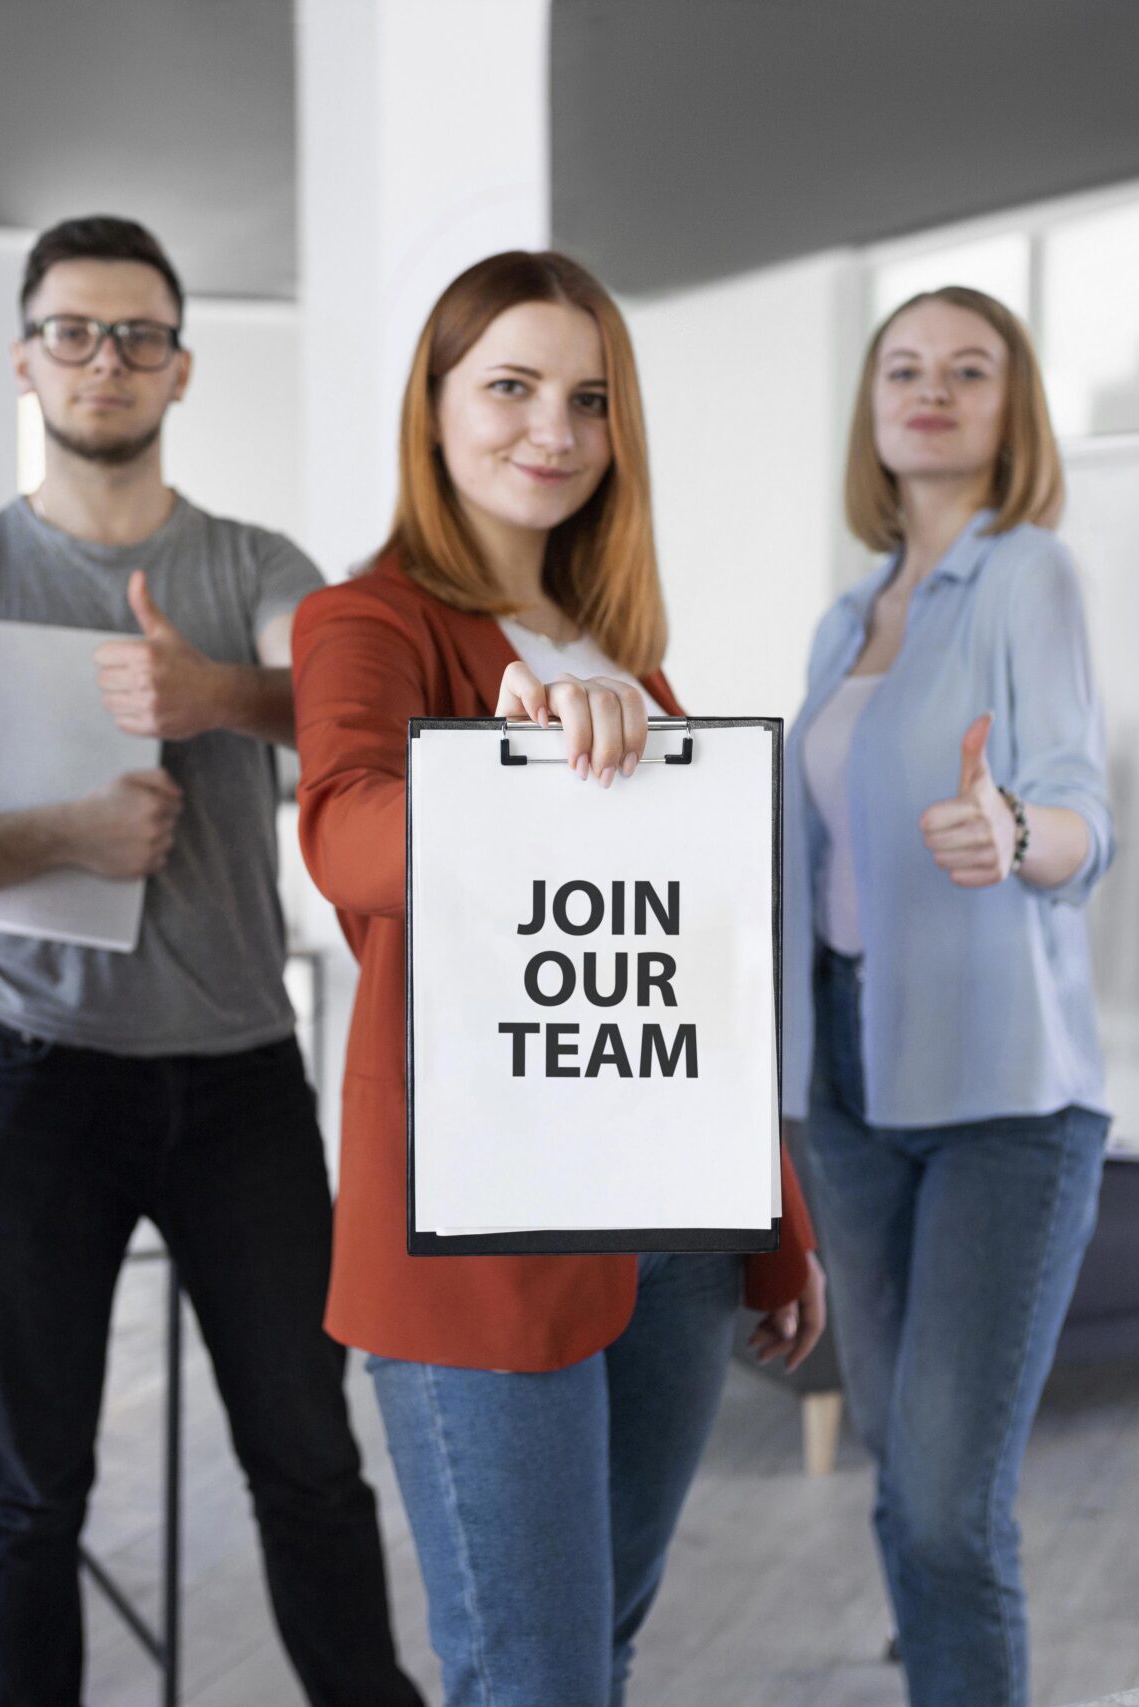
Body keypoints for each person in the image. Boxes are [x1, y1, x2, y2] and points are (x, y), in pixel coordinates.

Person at [0, 215, 421, 1707]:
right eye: (74, 332)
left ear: (181, 366)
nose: (105, 361)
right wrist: (61, 833)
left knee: (308, 1456)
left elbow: (355, 718)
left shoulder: (253, 563)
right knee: (28, 1482)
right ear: (25, 355)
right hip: (31, 1081)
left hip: (239, 1076)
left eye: (139, 337)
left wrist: (213, 690)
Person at [287, 249, 826, 1707]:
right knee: (534, 1684)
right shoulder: (367, 622)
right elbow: (344, 835)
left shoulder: (634, 671)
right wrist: (519, 768)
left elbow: (696, 975)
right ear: (436, 407)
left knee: (601, 1654)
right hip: (481, 1239)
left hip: (671, 1248)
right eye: (510, 386)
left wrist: (769, 1223)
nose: (554, 429)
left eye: (588, 399)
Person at [783, 284, 1114, 1707]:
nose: (930, 390)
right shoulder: (842, 619)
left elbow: (1081, 810)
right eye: (903, 368)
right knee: (895, 1466)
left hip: (1002, 1102)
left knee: (943, 1501)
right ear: (871, 409)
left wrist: (1016, 836)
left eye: (967, 371)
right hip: (847, 1089)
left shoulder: (1031, 574)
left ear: (1008, 407)